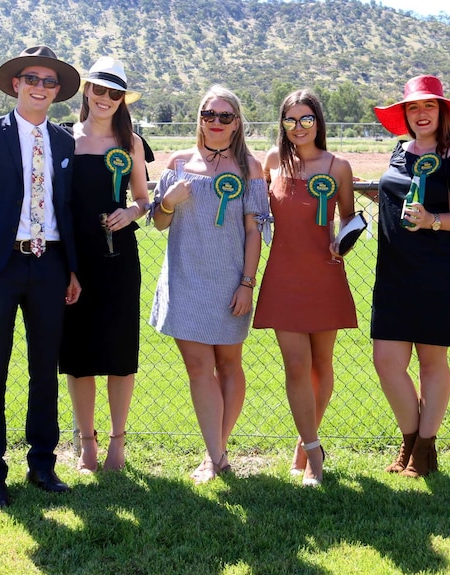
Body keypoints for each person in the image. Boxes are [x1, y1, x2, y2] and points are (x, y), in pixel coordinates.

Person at [0, 46, 82, 509]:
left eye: (49, 82)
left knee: (44, 371)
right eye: (32, 79)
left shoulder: (65, 143)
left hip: (49, 267)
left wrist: (71, 269)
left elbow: (67, 210)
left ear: (57, 92)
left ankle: (42, 465)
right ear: (15, 84)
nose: (40, 88)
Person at [371, 75, 450, 478]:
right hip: (393, 274)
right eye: (413, 107)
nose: (421, 114)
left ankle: (423, 449)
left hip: (438, 273)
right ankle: (410, 437)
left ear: (443, 112)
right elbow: (397, 193)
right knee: (386, 361)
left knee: (431, 362)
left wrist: (433, 220)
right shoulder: (400, 152)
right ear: (404, 114)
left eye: (429, 106)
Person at [149, 85, 269, 484]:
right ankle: (215, 456)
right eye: (209, 115)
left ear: (237, 124)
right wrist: (168, 201)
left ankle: (215, 450)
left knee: (229, 364)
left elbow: (254, 231)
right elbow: (159, 222)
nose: (215, 123)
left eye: (225, 116)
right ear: (199, 119)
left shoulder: (251, 169)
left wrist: (247, 284)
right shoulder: (178, 162)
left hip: (231, 281)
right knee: (198, 367)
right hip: (185, 279)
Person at [253, 90, 358, 487]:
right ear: (282, 125)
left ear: (319, 122)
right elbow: (258, 214)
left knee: (320, 365)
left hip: (325, 274)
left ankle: (304, 438)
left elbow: (348, 218)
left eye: (306, 119)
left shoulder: (338, 166)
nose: (298, 127)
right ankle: (314, 451)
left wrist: (343, 239)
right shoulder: (272, 162)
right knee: (295, 365)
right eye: (291, 120)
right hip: (283, 274)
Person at [59, 57, 150, 473]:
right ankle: (86, 444)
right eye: (100, 89)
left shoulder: (130, 142)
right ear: (86, 91)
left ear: (122, 100)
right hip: (74, 261)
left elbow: (144, 200)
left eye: (115, 93)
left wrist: (130, 214)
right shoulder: (63, 140)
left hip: (118, 261)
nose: (106, 99)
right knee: (77, 354)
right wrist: (68, 265)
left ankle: (117, 442)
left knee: (118, 351)